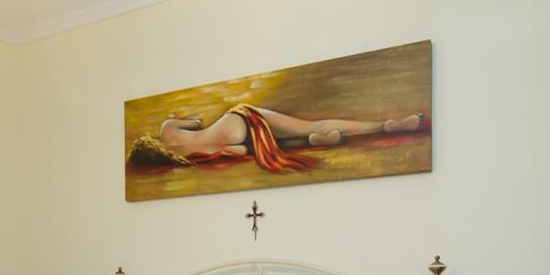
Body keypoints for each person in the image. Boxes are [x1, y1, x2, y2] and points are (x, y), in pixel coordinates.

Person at [129, 103, 423, 173]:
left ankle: (312, 141)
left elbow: (234, 151)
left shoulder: (183, 160)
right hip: (236, 121)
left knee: (276, 141)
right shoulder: (167, 130)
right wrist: (189, 123)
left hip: (237, 142)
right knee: (309, 125)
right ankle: (386, 126)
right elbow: (196, 122)